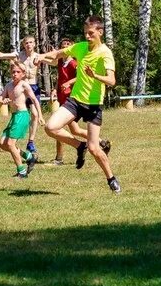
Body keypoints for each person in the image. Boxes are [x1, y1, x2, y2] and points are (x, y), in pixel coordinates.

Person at [39, 15, 120, 193]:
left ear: (100, 32)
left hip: (93, 105)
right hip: (75, 100)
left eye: (91, 33)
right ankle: (78, 146)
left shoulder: (105, 53)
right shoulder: (80, 47)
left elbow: (112, 80)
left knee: (94, 148)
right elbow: (58, 54)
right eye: (85, 33)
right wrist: (41, 56)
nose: (87, 37)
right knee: (50, 127)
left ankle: (111, 179)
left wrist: (95, 76)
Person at [0, 36, 43, 156]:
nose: (28, 45)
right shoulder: (18, 55)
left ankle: (31, 141)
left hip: (32, 86)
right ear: (23, 45)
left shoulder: (38, 56)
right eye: (26, 43)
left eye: (30, 42)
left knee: (35, 114)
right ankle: (14, 142)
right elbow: (2, 55)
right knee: (18, 111)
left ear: (35, 44)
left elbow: (54, 60)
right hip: (21, 87)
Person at [40, 37, 88, 165]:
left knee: (57, 127)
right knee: (75, 130)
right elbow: (57, 72)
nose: (65, 47)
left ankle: (59, 158)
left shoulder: (74, 63)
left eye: (68, 44)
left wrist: (69, 82)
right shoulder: (61, 61)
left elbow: (81, 78)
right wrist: (55, 90)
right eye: (63, 45)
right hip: (62, 97)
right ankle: (101, 142)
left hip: (71, 99)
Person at [0, 61, 44, 179]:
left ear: (23, 74)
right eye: (13, 72)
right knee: (3, 144)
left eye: (18, 72)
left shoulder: (24, 85)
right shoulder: (8, 85)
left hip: (22, 115)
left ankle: (22, 172)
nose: (15, 74)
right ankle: (29, 156)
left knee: (10, 144)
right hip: (14, 116)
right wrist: (2, 101)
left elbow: (35, 100)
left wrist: (40, 115)